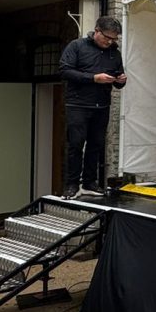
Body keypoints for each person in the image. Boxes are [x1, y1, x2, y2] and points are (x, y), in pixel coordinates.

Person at [59, 15, 127, 197]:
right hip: (77, 104)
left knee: (96, 144)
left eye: (114, 39)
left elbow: (118, 81)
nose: (110, 41)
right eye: (107, 37)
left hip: (102, 105)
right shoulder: (77, 46)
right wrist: (93, 78)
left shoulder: (115, 53)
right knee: (76, 144)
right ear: (96, 31)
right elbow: (64, 71)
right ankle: (72, 184)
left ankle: (90, 182)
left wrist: (121, 80)